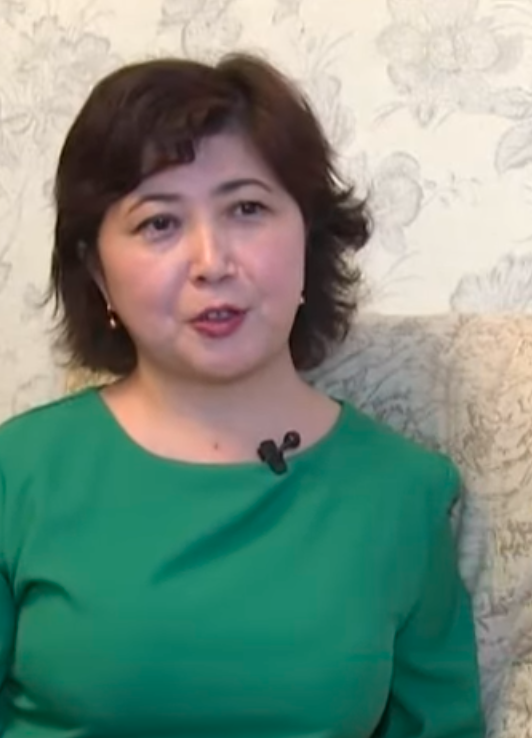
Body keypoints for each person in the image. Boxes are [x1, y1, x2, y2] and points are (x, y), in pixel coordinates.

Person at [0, 53, 484, 737]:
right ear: (98, 272)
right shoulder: (18, 473)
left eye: (247, 209)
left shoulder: (405, 493)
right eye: (158, 223)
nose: (211, 262)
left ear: (308, 239)